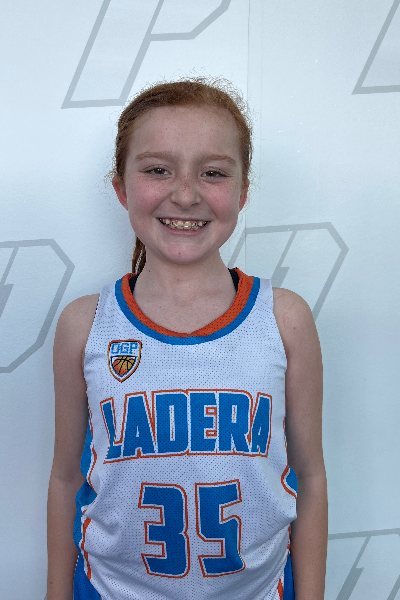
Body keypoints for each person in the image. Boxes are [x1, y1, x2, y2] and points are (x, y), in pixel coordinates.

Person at [47, 78, 327, 600]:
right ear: (121, 187)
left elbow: (309, 478)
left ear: (243, 191)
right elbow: (66, 479)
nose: (185, 193)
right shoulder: (85, 324)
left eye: (213, 172)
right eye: (158, 169)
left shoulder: (284, 319)